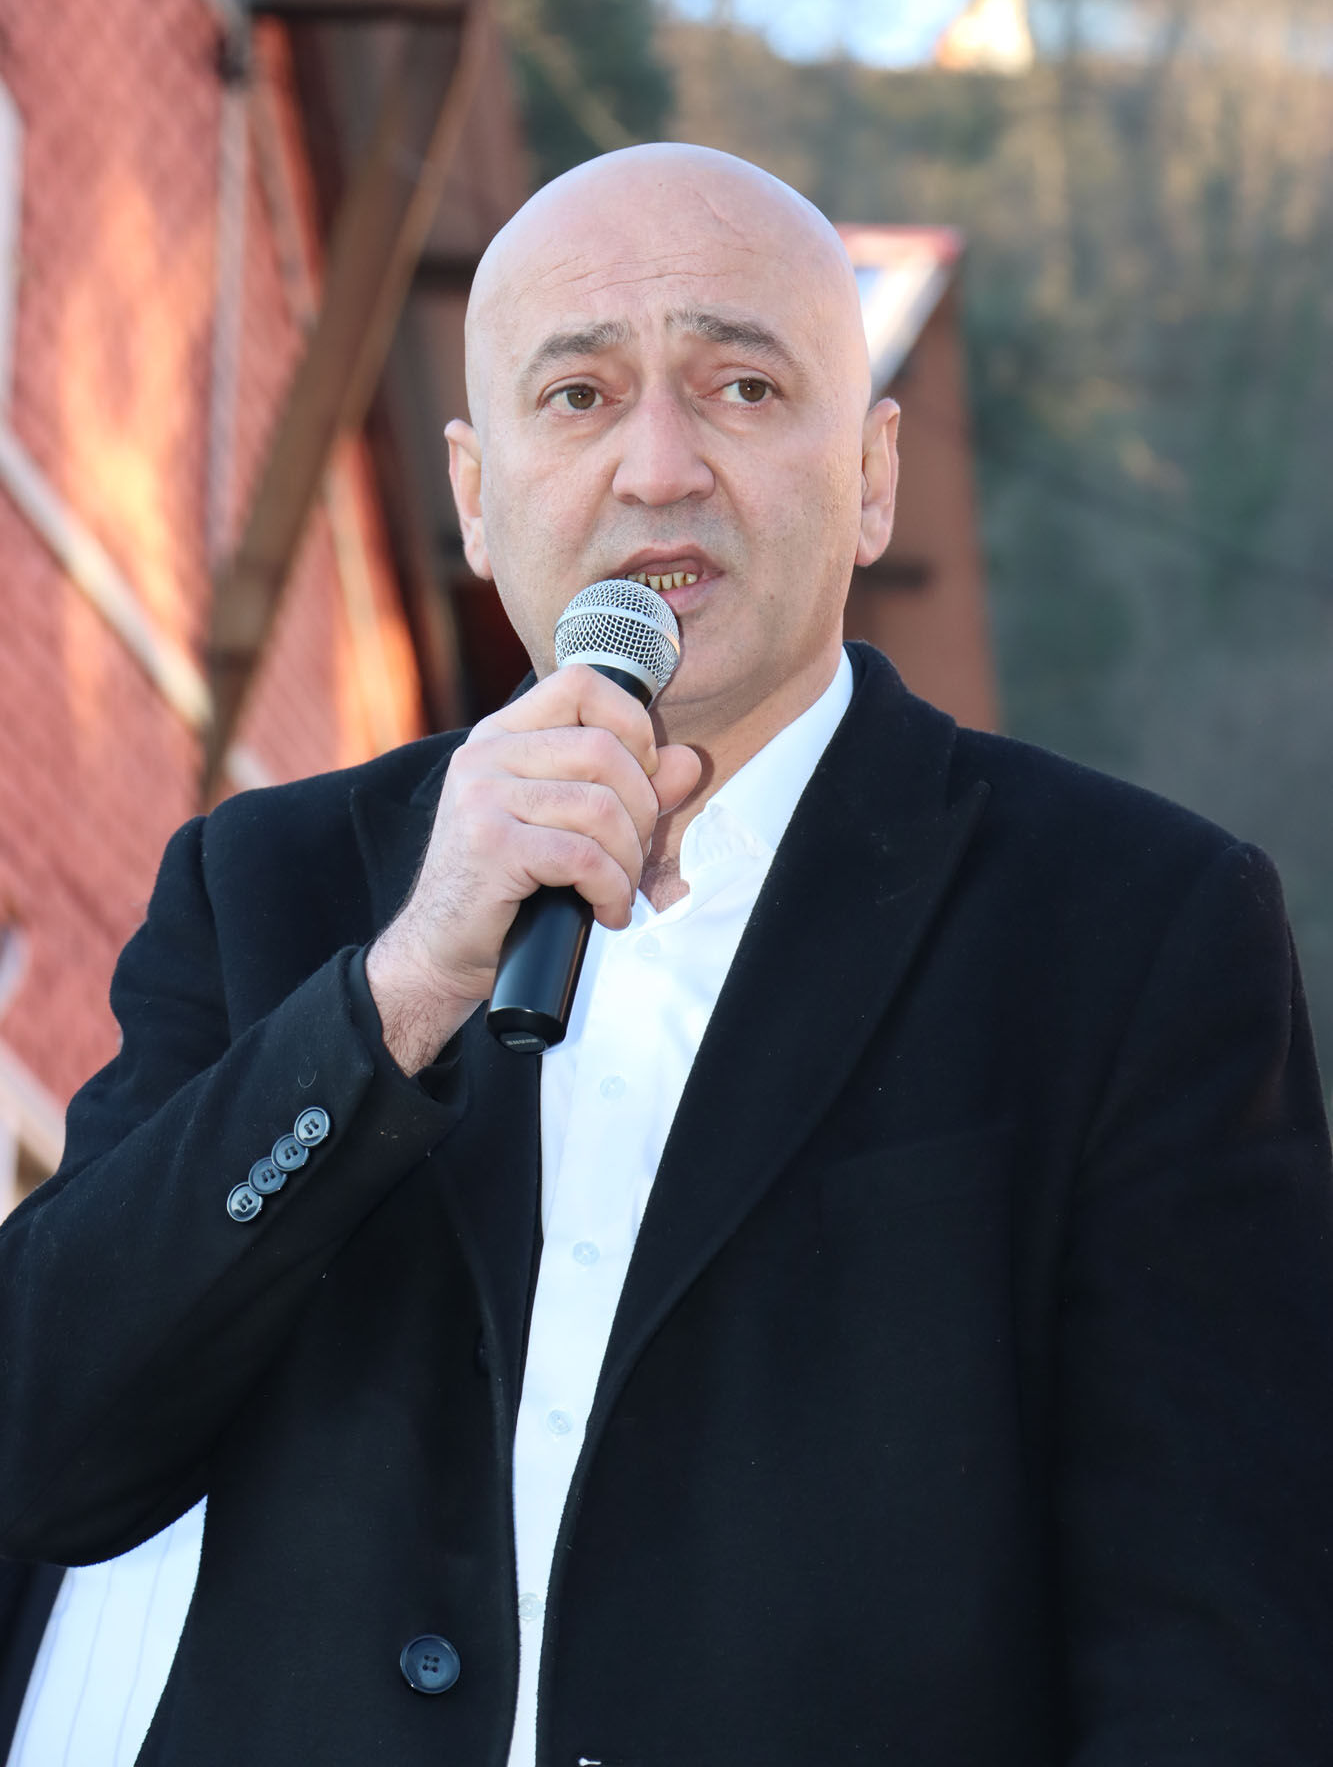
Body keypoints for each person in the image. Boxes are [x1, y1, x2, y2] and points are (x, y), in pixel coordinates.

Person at [1, 143, 1330, 1767]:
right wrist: (398, 994)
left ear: (871, 476)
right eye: (578, 396)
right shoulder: (265, 884)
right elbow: (43, 1442)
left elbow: (1218, 1649)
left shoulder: (1133, 927)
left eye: (741, 388)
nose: (657, 467)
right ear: (475, 498)